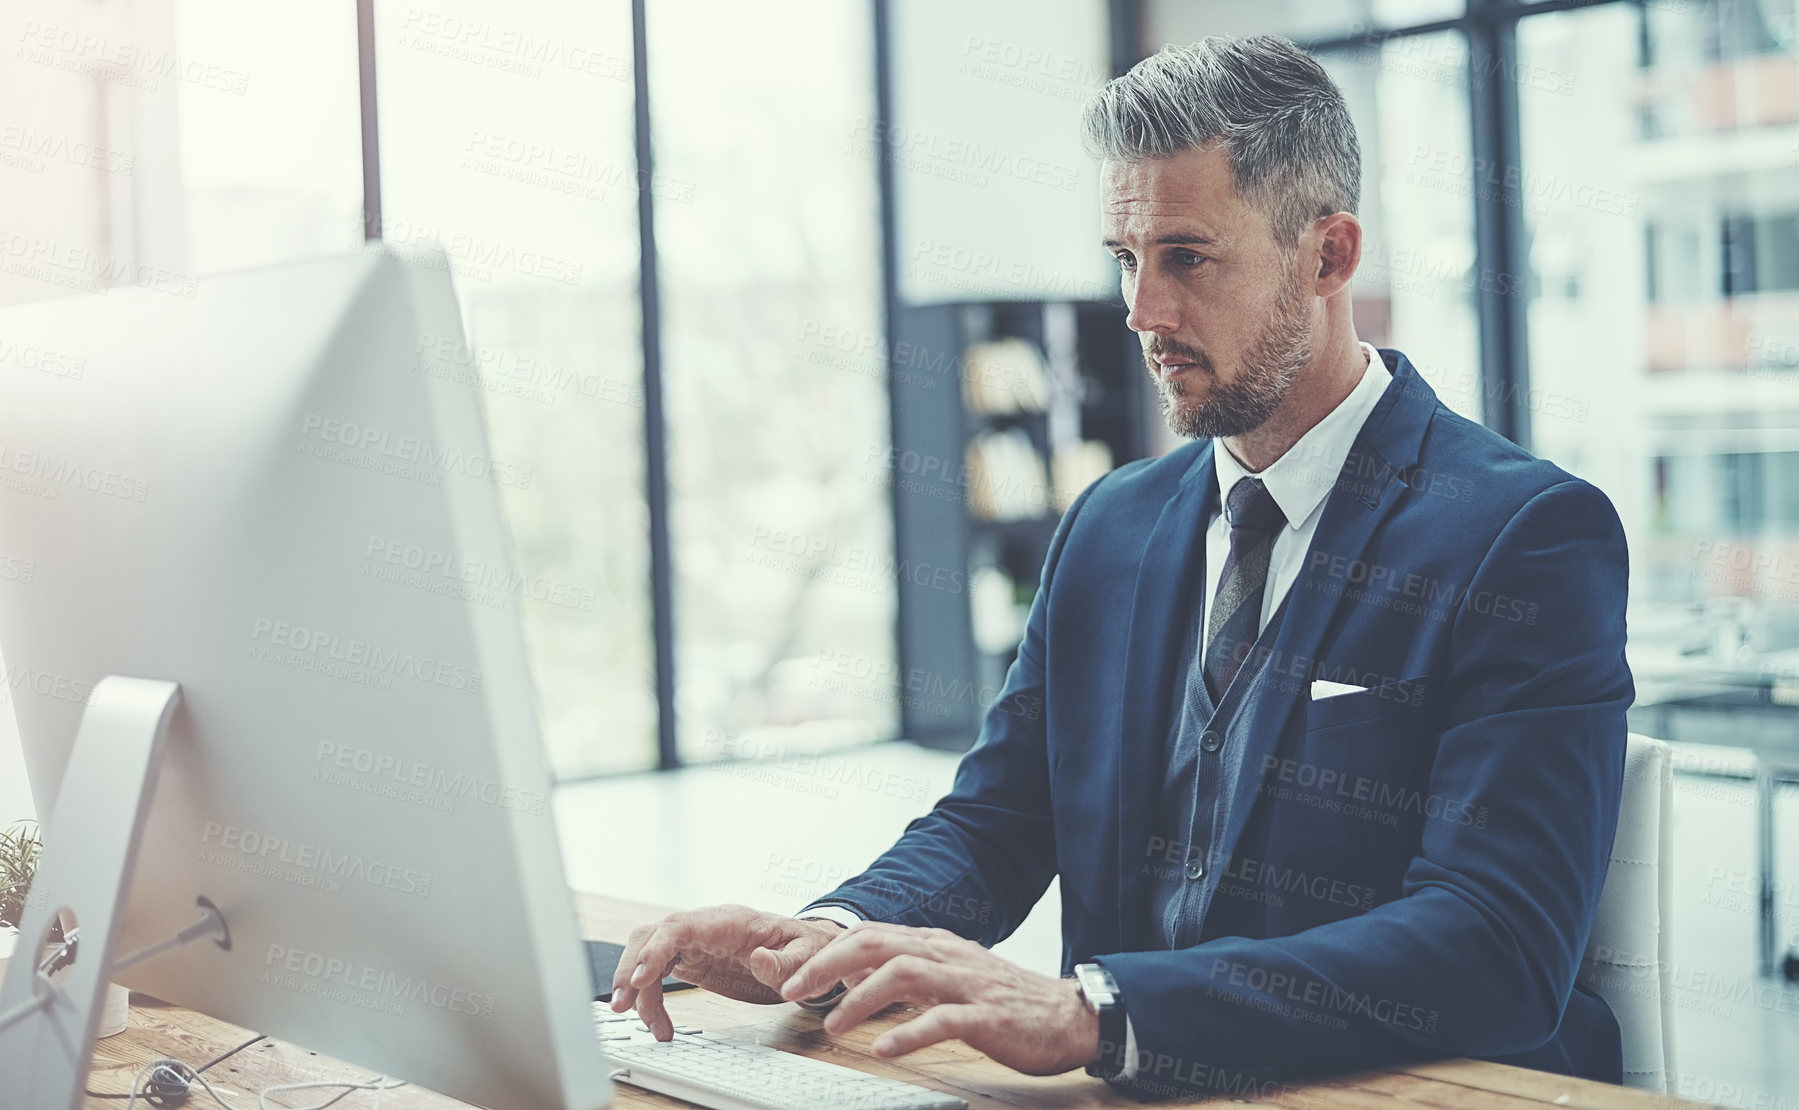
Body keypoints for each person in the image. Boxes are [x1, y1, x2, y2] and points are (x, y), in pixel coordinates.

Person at [610, 34, 1631, 1097]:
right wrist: (815, 941)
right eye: (1123, 260)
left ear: (1327, 256)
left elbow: (1496, 939)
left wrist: (1096, 1012)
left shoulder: (1523, 532)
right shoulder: (1110, 521)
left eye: (1185, 257)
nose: (1141, 313)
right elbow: (999, 821)